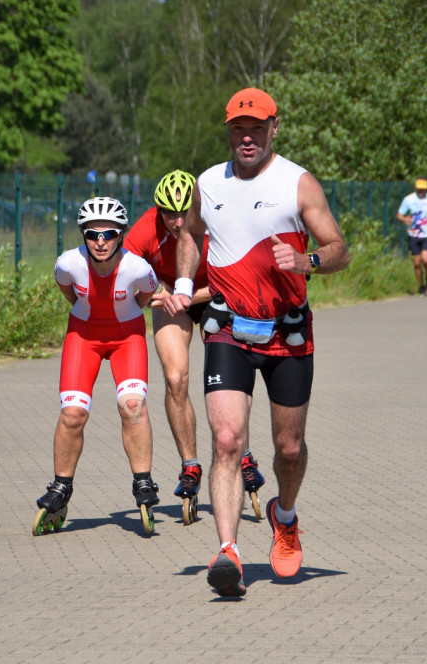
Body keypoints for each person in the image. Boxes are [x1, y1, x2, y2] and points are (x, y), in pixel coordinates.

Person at [164, 87, 350, 596]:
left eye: (256, 128)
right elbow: (188, 235)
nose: (246, 138)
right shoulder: (208, 182)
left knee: (288, 449)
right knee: (227, 441)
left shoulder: (298, 184)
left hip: (287, 331)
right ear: (228, 131)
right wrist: (184, 287)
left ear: (274, 128)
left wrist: (308, 261)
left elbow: (339, 249)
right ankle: (228, 552)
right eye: (237, 130)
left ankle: (283, 516)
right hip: (226, 327)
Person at [124, 170, 266, 523]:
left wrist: (187, 296)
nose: (175, 222)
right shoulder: (144, 230)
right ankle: (190, 466)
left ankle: (242, 452)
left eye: (182, 213)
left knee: (228, 379)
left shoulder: (217, 222)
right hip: (171, 297)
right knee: (175, 379)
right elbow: (123, 276)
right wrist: (161, 295)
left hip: (215, 293)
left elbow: (237, 279)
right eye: (167, 213)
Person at [33, 197, 161, 536]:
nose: (100, 241)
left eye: (108, 233)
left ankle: (143, 482)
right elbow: (69, 292)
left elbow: (145, 295)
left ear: (120, 235)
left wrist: (119, 315)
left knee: (132, 406)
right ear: (83, 235)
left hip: (126, 336)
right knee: (72, 413)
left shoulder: (138, 268)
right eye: (92, 234)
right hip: (84, 335)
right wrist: (90, 312)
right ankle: (61, 487)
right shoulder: (68, 263)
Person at [396, 176, 427, 295]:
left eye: (423, 189)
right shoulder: (408, 199)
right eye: (419, 189)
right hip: (413, 234)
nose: (421, 191)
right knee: (416, 262)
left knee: (425, 259)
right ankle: (421, 286)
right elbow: (399, 215)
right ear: (415, 187)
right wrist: (405, 219)